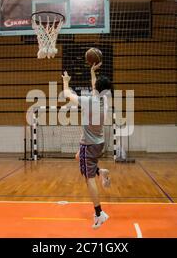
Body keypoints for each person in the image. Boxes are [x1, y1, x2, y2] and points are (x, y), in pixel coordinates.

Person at [62, 62, 112, 229]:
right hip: (99, 143)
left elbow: (68, 94)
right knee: (79, 158)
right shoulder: (104, 100)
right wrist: (92, 71)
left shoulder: (88, 101)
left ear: (96, 88)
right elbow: (95, 86)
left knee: (88, 179)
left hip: (88, 145)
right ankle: (101, 171)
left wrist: (66, 81)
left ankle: (99, 214)